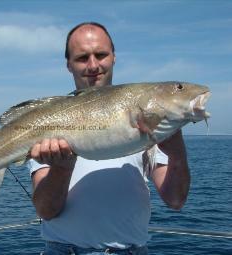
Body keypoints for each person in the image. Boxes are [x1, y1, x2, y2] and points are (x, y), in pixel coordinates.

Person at [27, 22, 190, 255]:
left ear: (114, 57)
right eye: (82, 58)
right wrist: (61, 170)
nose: (93, 65)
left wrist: (178, 154)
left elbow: (176, 200)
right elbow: (46, 211)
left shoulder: (146, 115)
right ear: (69, 65)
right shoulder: (48, 122)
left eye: (101, 55)